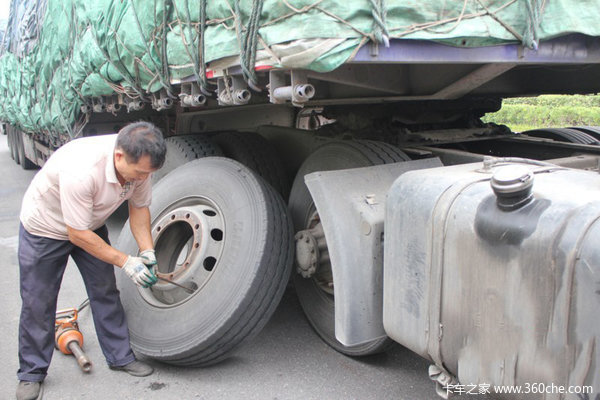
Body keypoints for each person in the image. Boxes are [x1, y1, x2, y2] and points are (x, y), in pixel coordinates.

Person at [15, 121, 167, 400]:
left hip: (89, 224)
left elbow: (139, 209)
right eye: (140, 173)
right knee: (39, 301)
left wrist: (147, 251)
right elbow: (76, 233)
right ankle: (31, 372)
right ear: (119, 156)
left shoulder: (141, 167)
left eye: (148, 174)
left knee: (105, 290)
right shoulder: (82, 169)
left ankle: (120, 356)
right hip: (46, 229)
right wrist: (126, 261)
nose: (143, 178)